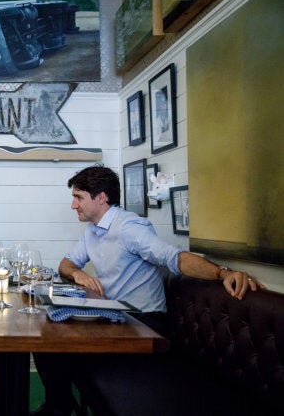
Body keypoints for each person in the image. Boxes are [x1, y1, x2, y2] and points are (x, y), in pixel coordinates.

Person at [31, 166, 263, 415]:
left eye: (78, 197)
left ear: (101, 198)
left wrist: (222, 273)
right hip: (116, 319)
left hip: (145, 323)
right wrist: (78, 273)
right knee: (45, 341)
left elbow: (174, 258)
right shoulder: (93, 232)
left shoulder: (130, 227)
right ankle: (59, 407)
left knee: (56, 348)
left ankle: (59, 408)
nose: (73, 205)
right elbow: (66, 265)